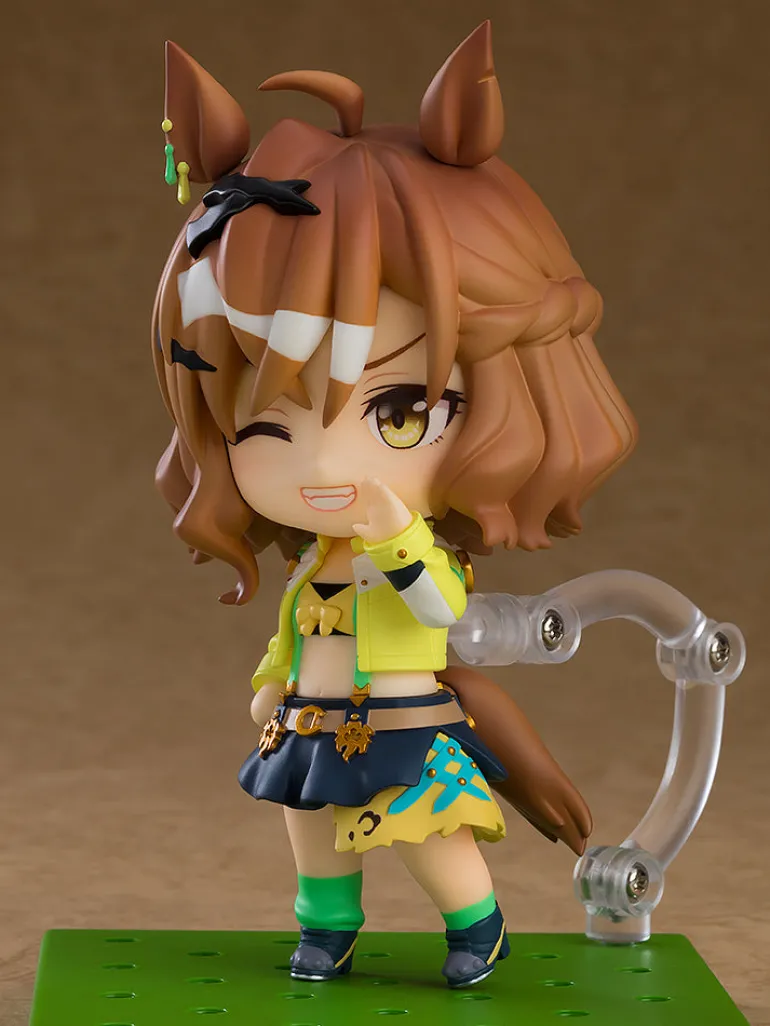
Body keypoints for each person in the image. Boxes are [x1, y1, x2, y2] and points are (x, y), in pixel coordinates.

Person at [152, 21, 637, 988]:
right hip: (309, 719)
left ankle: (477, 926)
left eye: (400, 411)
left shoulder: (406, 544)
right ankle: (325, 930)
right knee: (311, 833)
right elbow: (300, 624)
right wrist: (274, 680)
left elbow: (441, 610)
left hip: (407, 722)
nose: (326, 462)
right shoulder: (317, 560)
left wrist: (399, 537)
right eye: (265, 423)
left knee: (422, 833)